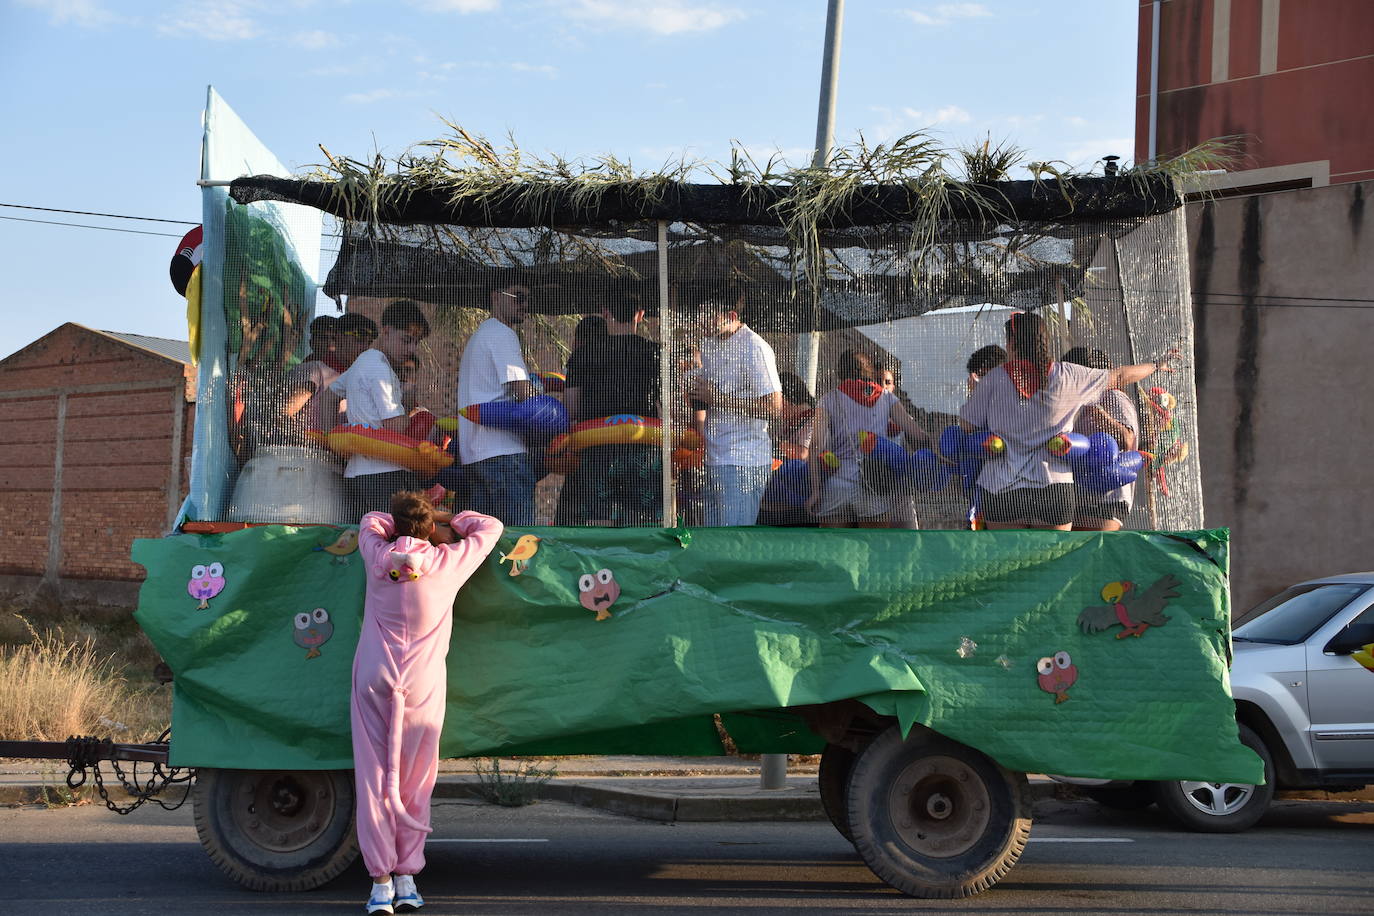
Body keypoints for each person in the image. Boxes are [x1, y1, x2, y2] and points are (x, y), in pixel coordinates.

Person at [352, 491, 503, 915]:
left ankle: (379, 885)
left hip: (374, 679)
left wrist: (412, 518)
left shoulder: (376, 557)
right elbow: (489, 526)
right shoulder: (447, 564)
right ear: (429, 527)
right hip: (421, 683)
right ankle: (407, 879)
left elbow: (371, 518)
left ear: (397, 525)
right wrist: (446, 518)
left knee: (374, 780)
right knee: (415, 780)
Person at [958, 312, 1173, 530]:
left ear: (1011, 344)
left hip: (1002, 490)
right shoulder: (1069, 375)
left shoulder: (994, 379)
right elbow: (1119, 376)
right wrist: (1156, 365)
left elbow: (967, 426)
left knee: (1011, 562)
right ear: (1045, 341)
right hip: (1055, 490)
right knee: (1054, 562)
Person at [562, 292, 662, 525]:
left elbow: (571, 409)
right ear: (640, 315)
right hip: (643, 451)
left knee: (598, 524)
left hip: (597, 451)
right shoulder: (655, 353)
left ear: (605, 313)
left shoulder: (583, 355)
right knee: (642, 524)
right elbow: (663, 409)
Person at [805, 349, 933, 528]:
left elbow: (816, 445)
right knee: (874, 548)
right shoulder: (887, 398)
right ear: (869, 371)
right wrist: (933, 452)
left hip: (838, 483)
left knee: (832, 550)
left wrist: (816, 490)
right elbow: (917, 435)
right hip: (873, 484)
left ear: (840, 372)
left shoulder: (829, 399)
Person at [330, 301, 431, 516]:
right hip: (386, 476)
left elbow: (330, 395)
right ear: (386, 331)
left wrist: (333, 436)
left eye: (416, 342)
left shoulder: (363, 361)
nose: (411, 349)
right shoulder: (380, 369)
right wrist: (410, 416)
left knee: (365, 542)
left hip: (358, 473)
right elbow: (394, 427)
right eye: (406, 340)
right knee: (400, 545)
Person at [690, 291, 782, 526]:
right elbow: (710, 395)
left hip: (744, 461)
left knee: (732, 544)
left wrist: (718, 399)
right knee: (712, 544)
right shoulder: (708, 344)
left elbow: (775, 408)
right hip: (714, 458)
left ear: (731, 316)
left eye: (708, 317)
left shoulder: (754, 346)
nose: (701, 322)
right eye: (699, 315)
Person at [457, 282, 537, 525]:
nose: (525, 305)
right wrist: (546, 401)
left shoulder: (480, 336)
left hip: (477, 456)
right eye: (519, 297)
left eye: (528, 300)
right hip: (504, 455)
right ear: (495, 296)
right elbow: (525, 394)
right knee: (518, 546)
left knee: (485, 549)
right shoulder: (502, 333)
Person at [1063, 346, 1140, 531]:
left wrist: (1095, 410)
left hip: (1106, 499)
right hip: (1078, 496)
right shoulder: (1072, 404)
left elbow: (1127, 438)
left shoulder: (1113, 397)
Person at [756, 372, 817, 528]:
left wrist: (775, 444)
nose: (774, 407)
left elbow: (803, 454)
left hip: (801, 494)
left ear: (786, 399)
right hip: (780, 493)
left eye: (776, 401)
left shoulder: (813, 419)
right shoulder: (788, 423)